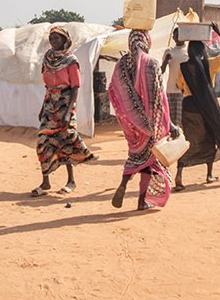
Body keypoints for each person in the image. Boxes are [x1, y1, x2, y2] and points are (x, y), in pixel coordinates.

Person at [110, 30, 178, 210]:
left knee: (134, 156)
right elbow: (158, 98)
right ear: (147, 42)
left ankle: (124, 184)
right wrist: (168, 123)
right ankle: (141, 201)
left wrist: (128, 116)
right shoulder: (151, 64)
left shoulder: (122, 64)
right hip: (152, 124)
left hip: (132, 125)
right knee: (150, 162)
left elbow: (114, 91)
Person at [175, 25, 220, 189]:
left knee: (190, 141)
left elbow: (180, 87)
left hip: (189, 107)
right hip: (208, 106)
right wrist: (218, 32)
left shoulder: (183, 66)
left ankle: (179, 175)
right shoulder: (210, 64)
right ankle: (209, 174)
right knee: (211, 138)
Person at [33, 26, 96, 196]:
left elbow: (75, 87)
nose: (53, 41)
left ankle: (71, 181)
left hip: (65, 103)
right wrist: (42, 107)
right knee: (43, 141)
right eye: (51, 38)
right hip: (49, 104)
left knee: (65, 140)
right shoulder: (47, 58)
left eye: (57, 38)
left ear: (64, 40)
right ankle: (45, 182)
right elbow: (48, 86)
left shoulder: (71, 60)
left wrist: (68, 111)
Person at [160, 29, 188, 127]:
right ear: (173, 38)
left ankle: (181, 139)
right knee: (170, 120)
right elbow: (161, 71)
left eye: (180, 35)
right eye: (176, 35)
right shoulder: (169, 51)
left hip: (183, 91)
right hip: (170, 90)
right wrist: (166, 60)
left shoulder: (188, 51)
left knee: (181, 119)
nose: (178, 37)